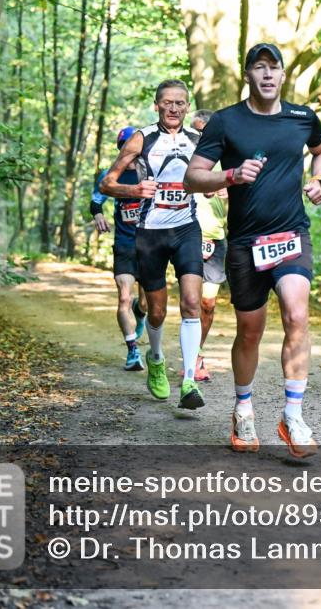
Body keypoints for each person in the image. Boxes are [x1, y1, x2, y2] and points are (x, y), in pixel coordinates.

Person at [185, 43, 321, 458]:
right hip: (246, 242)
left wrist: (318, 180)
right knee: (250, 331)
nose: (268, 75)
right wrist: (230, 175)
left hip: (291, 235)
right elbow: (192, 177)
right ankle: (243, 409)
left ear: (283, 75)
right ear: (247, 75)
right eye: (259, 68)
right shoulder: (227, 122)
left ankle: (293, 415)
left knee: (296, 313)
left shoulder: (302, 118)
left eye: (274, 68)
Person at [100, 80, 205, 410]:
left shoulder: (198, 141)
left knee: (191, 301)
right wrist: (134, 191)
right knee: (156, 310)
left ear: (188, 107)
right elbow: (107, 183)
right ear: (156, 105)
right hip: (150, 233)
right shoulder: (142, 139)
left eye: (180, 103)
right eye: (168, 103)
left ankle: (188, 379)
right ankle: (156, 358)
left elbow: (216, 174)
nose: (174, 109)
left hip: (187, 228)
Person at [90, 126, 149, 371]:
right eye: (127, 147)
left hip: (149, 244)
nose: (132, 153)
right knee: (124, 296)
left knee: (145, 304)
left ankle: (140, 312)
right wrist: (98, 215)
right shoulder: (110, 174)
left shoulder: (151, 173)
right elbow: (95, 200)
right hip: (124, 244)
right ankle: (133, 350)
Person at [189, 109, 226, 383]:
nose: (199, 136)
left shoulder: (228, 161)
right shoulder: (185, 159)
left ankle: (197, 353)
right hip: (187, 235)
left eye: (203, 131)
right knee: (189, 301)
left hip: (216, 240)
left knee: (207, 303)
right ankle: (190, 357)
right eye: (196, 131)